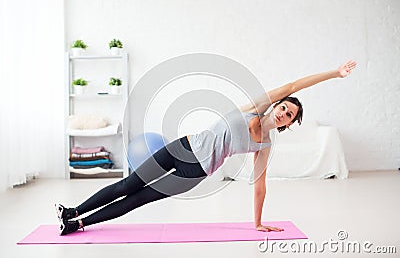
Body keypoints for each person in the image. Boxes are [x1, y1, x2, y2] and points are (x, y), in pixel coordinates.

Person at [56, 60, 357, 235]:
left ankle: (78, 223)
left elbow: (260, 186)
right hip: (181, 146)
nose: (283, 112)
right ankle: (72, 210)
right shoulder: (255, 106)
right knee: (128, 184)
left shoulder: (265, 144)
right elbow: (293, 86)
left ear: (288, 124)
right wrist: (335, 73)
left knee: (138, 199)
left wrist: (258, 222)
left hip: (195, 171)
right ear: (276, 105)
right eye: (284, 107)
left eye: (289, 115)